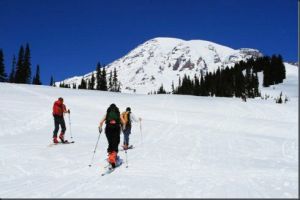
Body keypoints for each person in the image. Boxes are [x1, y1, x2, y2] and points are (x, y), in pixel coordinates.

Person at [99, 103, 125, 168]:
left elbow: (101, 122)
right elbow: (124, 122)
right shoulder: (118, 113)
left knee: (110, 143)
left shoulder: (107, 113)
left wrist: (100, 128)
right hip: (116, 129)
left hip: (108, 129)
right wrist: (123, 128)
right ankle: (113, 158)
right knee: (116, 143)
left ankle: (111, 156)